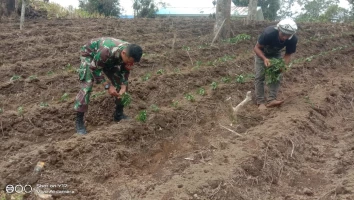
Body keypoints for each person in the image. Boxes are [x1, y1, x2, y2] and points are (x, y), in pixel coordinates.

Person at [74, 37, 143, 134]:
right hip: (90, 55)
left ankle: (119, 114)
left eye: (133, 62)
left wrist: (123, 86)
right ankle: (79, 122)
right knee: (87, 86)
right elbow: (94, 68)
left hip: (109, 59)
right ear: (123, 54)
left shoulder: (130, 51)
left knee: (120, 84)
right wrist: (107, 86)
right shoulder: (106, 51)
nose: (131, 64)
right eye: (129, 61)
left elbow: (125, 69)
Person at [253, 18, 298, 111]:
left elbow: (288, 54)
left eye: (288, 35)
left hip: (276, 54)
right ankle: (260, 102)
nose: (285, 37)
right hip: (262, 53)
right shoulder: (269, 33)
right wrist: (264, 59)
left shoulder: (293, 39)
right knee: (260, 77)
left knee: (277, 74)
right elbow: (256, 48)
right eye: (283, 34)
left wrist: (283, 65)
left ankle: (271, 99)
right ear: (279, 30)